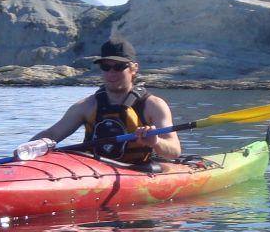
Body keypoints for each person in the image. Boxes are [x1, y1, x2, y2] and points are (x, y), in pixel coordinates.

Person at [26, 38, 180, 163]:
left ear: (134, 69)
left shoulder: (153, 106)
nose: (112, 72)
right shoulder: (86, 106)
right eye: (106, 67)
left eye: (119, 66)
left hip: (136, 170)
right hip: (94, 170)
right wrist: (25, 149)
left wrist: (156, 142)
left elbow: (174, 151)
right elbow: (53, 133)